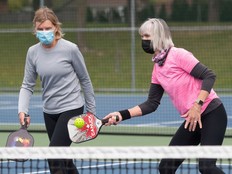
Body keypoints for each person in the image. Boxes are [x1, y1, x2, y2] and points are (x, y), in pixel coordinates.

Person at [104, 18, 227, 174]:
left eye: (146, 36)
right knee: (166, 167)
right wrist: (121, 115)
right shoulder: (157, 69)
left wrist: (198, 105)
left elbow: (209, 76)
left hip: (212, 113)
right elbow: (151, 103)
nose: (143, 40)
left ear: (158, 36)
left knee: (206, 166)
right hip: (192, 120)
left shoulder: (178, 55)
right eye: (142, 37)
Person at [18, 7, 96, 174]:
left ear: (56, 27)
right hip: (49, 111)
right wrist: (22, 110)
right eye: (40, 29)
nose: (44, 32)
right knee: (65, 160)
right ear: (35, 29)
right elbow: (27, 85)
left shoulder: (70, 49)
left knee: (53, 156)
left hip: (71, 108)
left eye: (48, 28)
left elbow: (85, 80)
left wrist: (91, 111)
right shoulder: (32, 53)